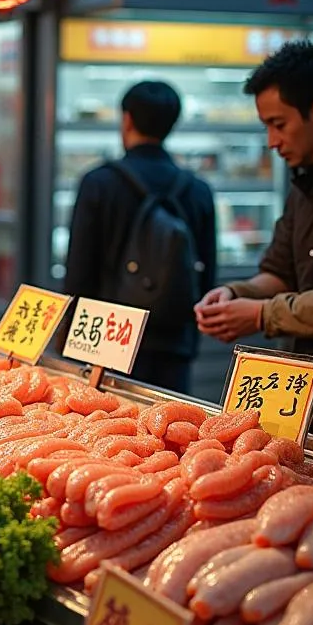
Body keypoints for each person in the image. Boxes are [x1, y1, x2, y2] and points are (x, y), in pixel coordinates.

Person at [63, 80, 217, 393]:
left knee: (106, 432)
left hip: (108, 337)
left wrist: (69, 340)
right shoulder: (197, 189)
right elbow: (206, 272)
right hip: (173, 339)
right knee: (169, 433)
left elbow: (80, 270)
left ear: (127, 119)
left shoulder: (99, 183)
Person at [196, 41, 313, 354]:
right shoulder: (303, 186)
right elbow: (280, 273)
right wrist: (234, 293)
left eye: (279, 125)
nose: (272, 142)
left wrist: (262, 314)